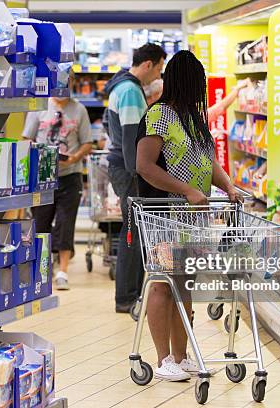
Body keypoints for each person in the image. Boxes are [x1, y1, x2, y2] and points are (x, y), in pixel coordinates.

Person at [135, 50, 242, 381]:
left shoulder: (194, 120)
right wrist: (186, 190)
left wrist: (228, 186)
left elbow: (207, 163)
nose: (202, 91)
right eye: (199, 84)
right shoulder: (159, 116)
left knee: (185, 285)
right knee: (163, 284)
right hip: (163, 215)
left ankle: (181, 357)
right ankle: (163, 358)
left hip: (193, 219)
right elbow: (145, 166)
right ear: (186, 83)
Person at [104, 43, 167, 313]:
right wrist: (140, 173)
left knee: (133, 229)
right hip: (129, 169)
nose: (159, 75)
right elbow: (132, 138)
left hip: (124, 167)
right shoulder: (130, 90)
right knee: (133, 231)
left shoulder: (122, 86)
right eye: (159, 68)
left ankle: (129, 294)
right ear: (148, 64)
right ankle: (127, 297)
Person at [23, 96, 93, 290]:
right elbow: (27, 139)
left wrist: (75, 157)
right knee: (41, 222)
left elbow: (88, 142)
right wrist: (39, 153)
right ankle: (42, 268)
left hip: (70, 176)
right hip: (43, 176)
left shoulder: (79, 109)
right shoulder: (38, 107)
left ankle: (63, 271)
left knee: (66, 223)